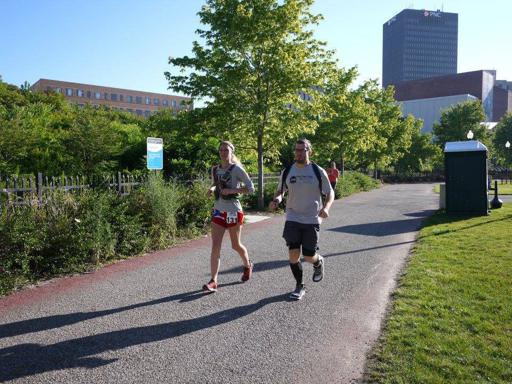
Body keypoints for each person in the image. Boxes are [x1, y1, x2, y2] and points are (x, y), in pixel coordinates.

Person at [269, 139, 334, 300]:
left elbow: (330, 193)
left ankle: (318, 262)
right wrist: (277, 199)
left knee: (309, 255)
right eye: (296, 150)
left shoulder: (317, 171)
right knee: (293, 254)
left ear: (309, 151)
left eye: (302, 150)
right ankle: (300, 285)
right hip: (292, 217)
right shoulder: (288, 170)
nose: (298, 153)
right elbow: (280, 191)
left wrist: (326, 208)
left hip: (312, 218)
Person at [203, 141, 255, 293]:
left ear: (232, 152)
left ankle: (247, 265)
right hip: (219, 210)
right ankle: (213, 281)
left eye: (226, 150)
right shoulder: (215, 169)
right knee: (215, 246)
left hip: (233, 210)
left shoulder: (237, 169)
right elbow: (216, 183)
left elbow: (251, 189)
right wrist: (212, 189)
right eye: (221, 150)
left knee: (235, 245)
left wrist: (232, 190)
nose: (223, 152)